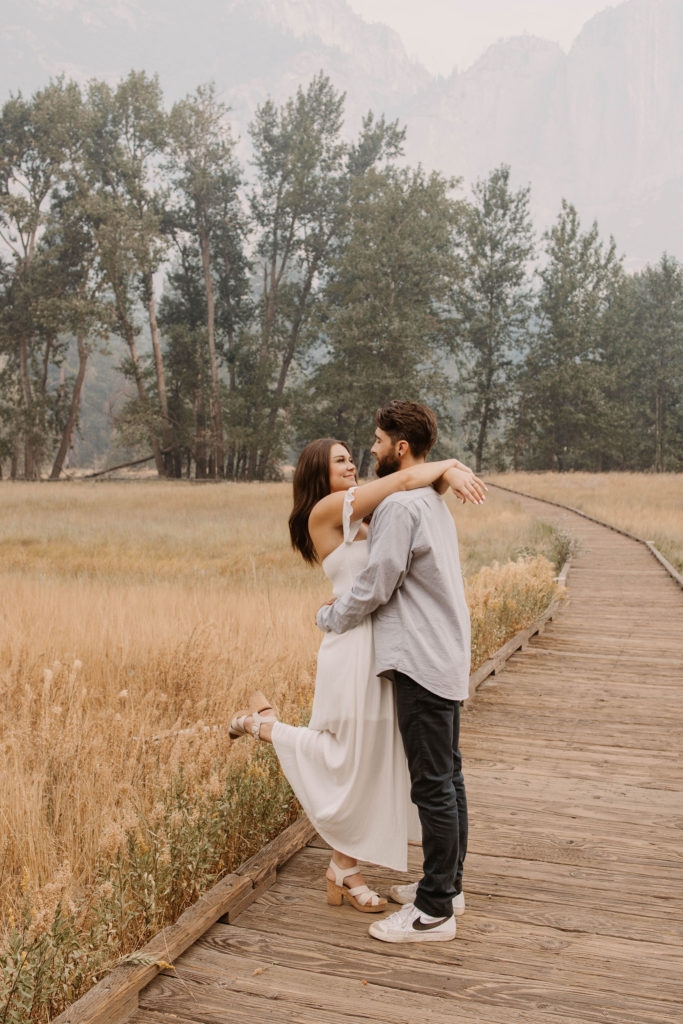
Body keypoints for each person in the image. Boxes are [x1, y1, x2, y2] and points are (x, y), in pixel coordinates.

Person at [230, 434, 484, 914]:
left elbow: (410, 496)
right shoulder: (326, 510)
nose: (351, 465)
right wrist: (450, 465)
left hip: (386, 649)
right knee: (345, 754)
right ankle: (260, 725)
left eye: (352, 458)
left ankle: (344, 865)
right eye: (340, 461)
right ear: (318, 475)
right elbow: (408, 475)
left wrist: (444, 477)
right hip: (350, 649)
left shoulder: (369, 511)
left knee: (377, 757)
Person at [316, 401, 472, 943]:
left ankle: (433, 913)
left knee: (432, 786)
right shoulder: (429, 498)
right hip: (445, 653)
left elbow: (378, 582)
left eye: (378, 441)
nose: (372, 450)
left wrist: (331, 616)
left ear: (400, 448)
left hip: (420, 659)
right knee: (447, 777)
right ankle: (445, 885)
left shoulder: (401, 507)